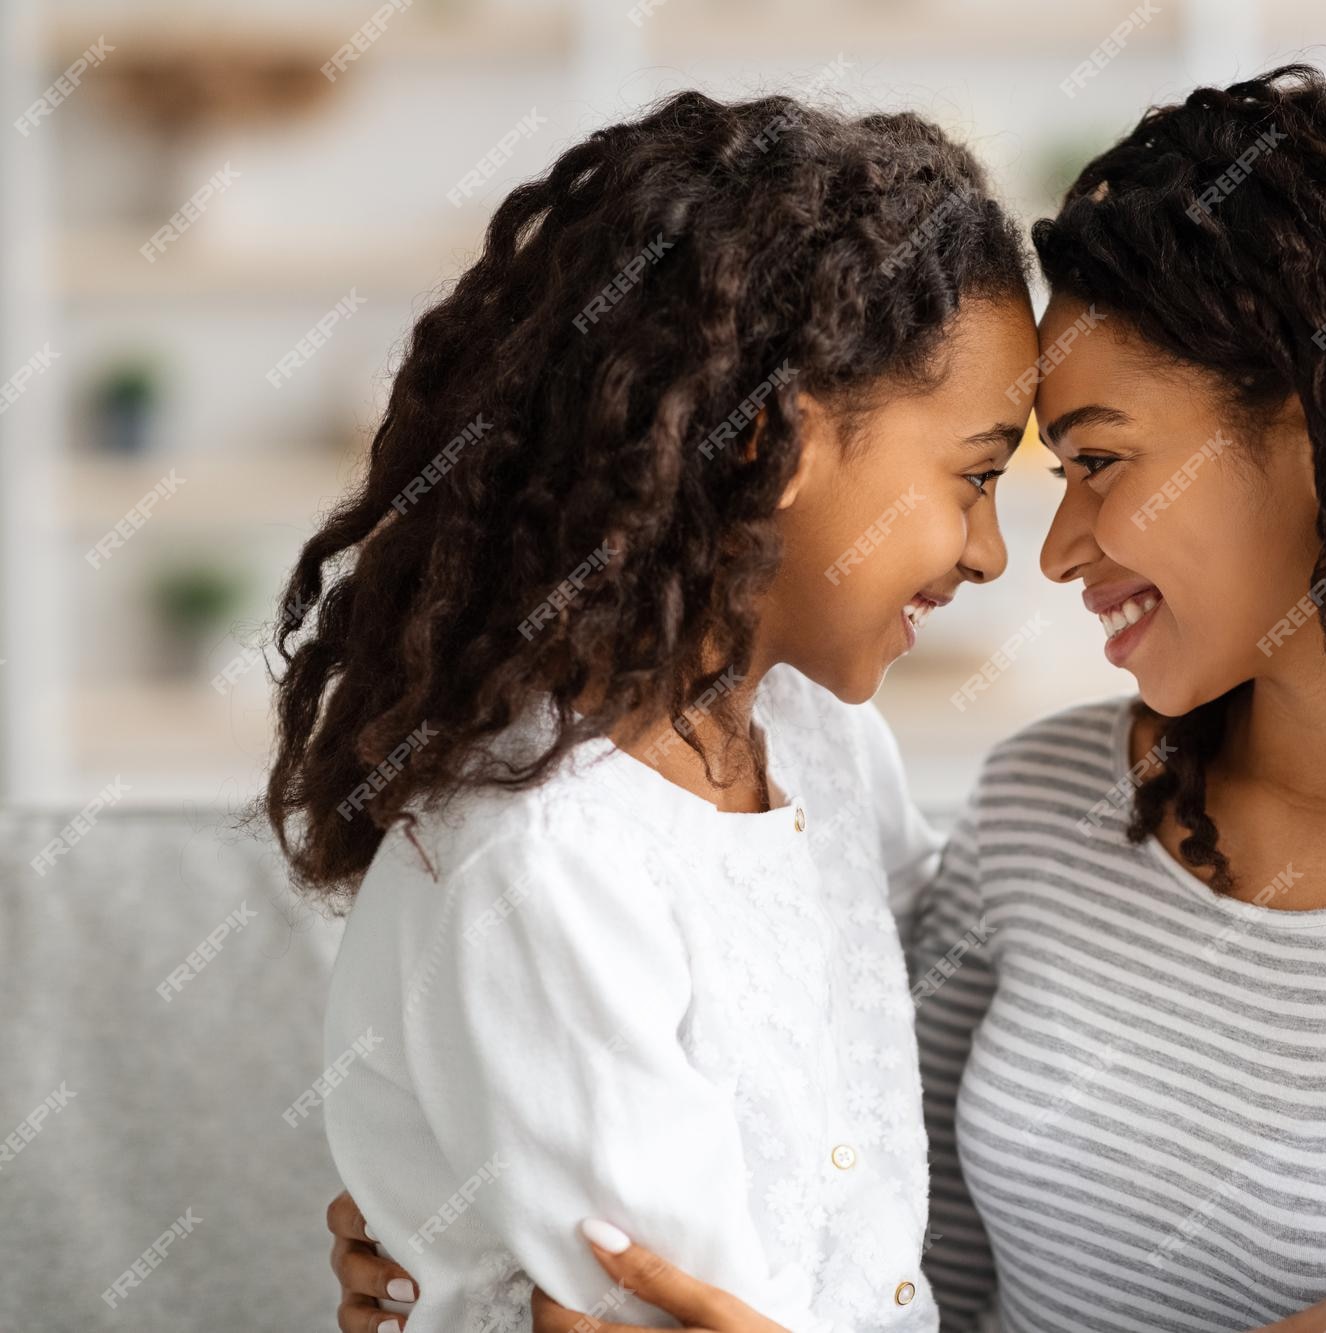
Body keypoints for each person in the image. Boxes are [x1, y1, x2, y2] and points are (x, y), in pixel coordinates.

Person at [328, 67, 1326, 1333]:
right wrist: (456, 1257)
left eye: (1096, 460)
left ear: (1320, 432)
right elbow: (858, 1255)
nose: (1044, 547)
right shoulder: (1048, 809)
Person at [269, 87, 1039, 1332]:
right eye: (976, 476)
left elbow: (899, 1025)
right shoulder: (550, 860)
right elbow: (681, 1305)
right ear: (772, 444)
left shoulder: (825, 742)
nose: (993, 553)